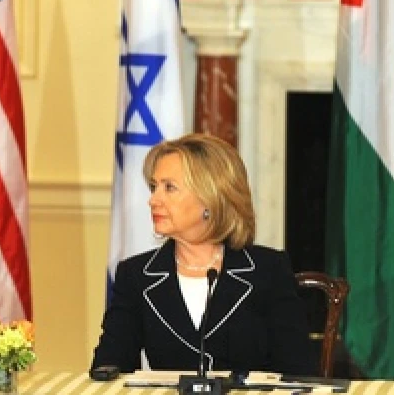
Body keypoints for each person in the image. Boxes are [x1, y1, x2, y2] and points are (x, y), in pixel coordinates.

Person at [91, 133, 317, 375]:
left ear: (210, 197)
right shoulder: (136, 275)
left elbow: (298, 372)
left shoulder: (268, 270)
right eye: (154, 187)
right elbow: (109, 366)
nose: (153, 200)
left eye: (169, 188)